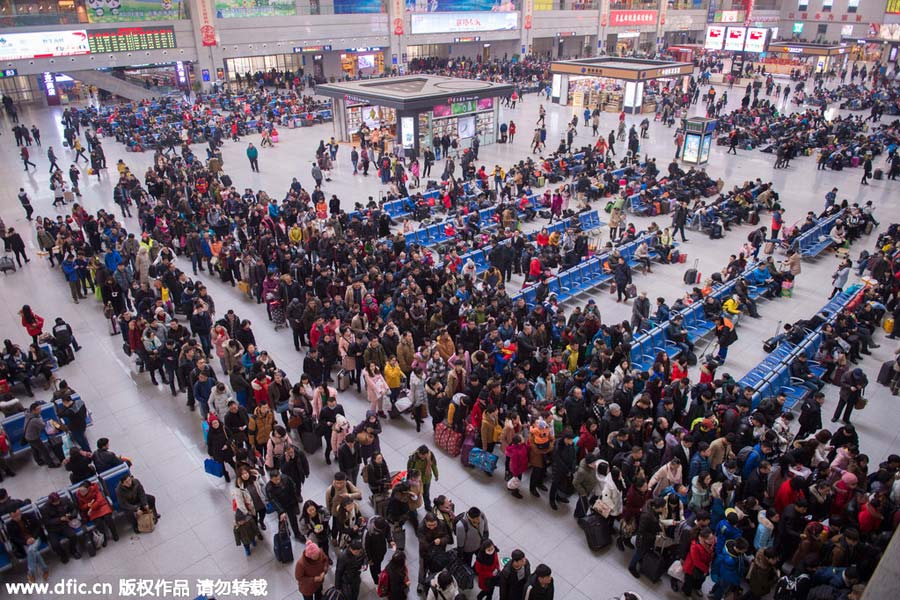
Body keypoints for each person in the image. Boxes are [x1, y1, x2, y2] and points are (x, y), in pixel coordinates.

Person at [75, 480, 118, 544]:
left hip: (101, 506)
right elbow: (81, 507)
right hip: (93, 511)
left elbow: (99, 500)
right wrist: (87, 505)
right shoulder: (79, 495)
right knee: (98, 522)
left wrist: (91, 507)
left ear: (88, 489)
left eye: (83, 491)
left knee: (108, 518)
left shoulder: (95, 489)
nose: (81, 492)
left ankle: (115, 534)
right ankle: (104, 538)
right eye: (80, 491)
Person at [407, 445, 439, 511]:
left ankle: (427, 506)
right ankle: (413, 508)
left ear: (427, 454)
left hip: (426, 479)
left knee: (426, 494)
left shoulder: (430, 456)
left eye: (424, 456)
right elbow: (409, 469)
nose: (422, 457)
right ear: (418, 453)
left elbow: (433, 466)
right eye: (421, 455)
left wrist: (436, 475)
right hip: (416, 480)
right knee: (415, 494)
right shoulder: (413, 458)